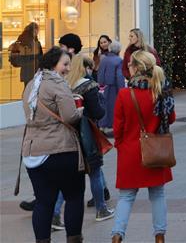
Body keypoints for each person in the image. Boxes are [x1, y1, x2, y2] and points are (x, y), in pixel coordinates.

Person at [22, 47, 85, 243]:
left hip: (33, 152)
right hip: (61, 150)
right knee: (74, 197)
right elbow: (70, 116)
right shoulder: (57, 83)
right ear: (53, 64)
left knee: (43, 202)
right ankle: (73, 239)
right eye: (65, 64)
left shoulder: (32, 84)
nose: (67, 69)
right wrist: (80, 111)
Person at [112, 51, 175, 243]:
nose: (128, 67)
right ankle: (159, 235)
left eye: (130, 64)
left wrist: (120, 145)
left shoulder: (124, 94)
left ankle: (117, 235)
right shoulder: (160, 91)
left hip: (130, 151)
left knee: (126, 197)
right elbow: (170, 119)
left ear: (137, 68)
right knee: (157, 194)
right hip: (155, 150)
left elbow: (118, 128)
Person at [53, 52, 113, 229]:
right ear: (85, 67)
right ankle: (101, 209)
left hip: (67, 135)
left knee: (68, 177)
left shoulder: (64, 85)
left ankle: (55, 213)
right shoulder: (89, 86)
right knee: (94, 170)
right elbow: (98, 112)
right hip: (86, 134)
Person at [97, 40, 125, 131]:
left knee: (104, 106)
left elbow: (99, 73)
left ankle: (102, 125)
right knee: (113, 107)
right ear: (119, 50)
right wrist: (122, 89)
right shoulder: (119, 60)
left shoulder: (103, 59)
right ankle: (111, 127)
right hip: (113, 87)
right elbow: (119, 76)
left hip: (103, 86)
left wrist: (100, 84)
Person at [10, 22, 44, 88]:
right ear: (34, 30)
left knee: (27, 89)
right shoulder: (34, 42)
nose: (38, 33)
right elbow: (40, 56)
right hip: (33, 69)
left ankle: (26, 98)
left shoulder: (22, 39)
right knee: (33, 90)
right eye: (37, 30)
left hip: (25, 70)